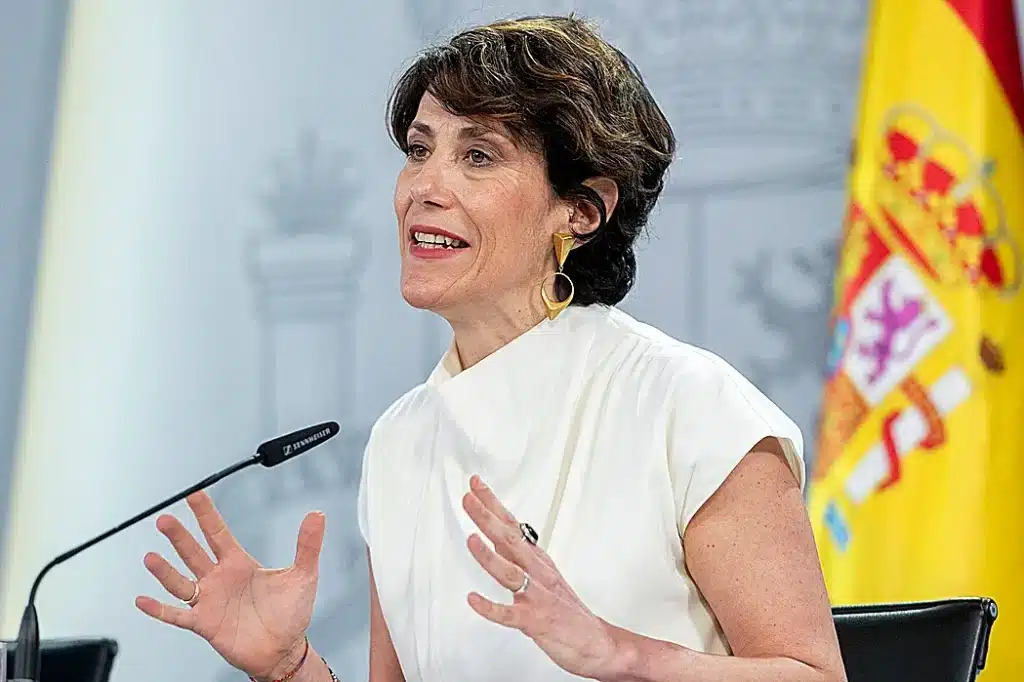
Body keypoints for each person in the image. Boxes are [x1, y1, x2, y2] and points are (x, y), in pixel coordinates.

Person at [136, 15, 848, 682]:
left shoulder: (689, 407)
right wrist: (290, 666)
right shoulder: (400, 441)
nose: (424, 187)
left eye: (478, 156)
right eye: (420, 151)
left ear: (581, 210)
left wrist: (619, 653)